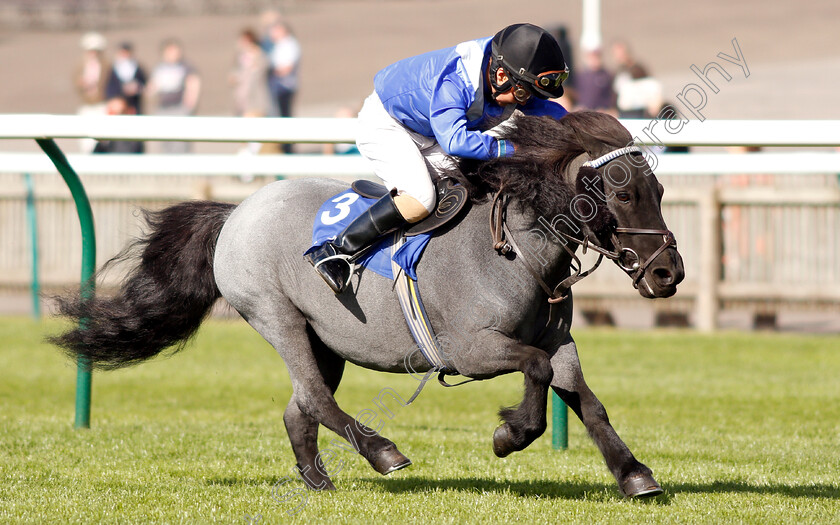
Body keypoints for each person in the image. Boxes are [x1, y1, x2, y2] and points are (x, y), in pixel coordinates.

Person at [309, 23, 570, 293]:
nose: (526, 103)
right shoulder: (457, 77)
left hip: (429, 131)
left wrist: (583, 131)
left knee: (477, 173)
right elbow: (455, 141)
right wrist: (512, 149)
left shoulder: (504, 71)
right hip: (388, 125)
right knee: (421, 199)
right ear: (501, 74)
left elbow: (548, 111)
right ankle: (335, 250)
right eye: (523, 93)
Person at [147, 38, 201, 153]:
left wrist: (189, 107)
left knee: (180, 143)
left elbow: (193, 84)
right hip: (163, 108)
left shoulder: (186, 67)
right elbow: (152, 87)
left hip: (179, 108)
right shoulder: (160, 68)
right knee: (165, 142)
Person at [267, 21, 301, 153]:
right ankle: (282, 147)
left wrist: (272, 71)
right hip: (277, 86)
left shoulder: (290, 44)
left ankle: (288, 148)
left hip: (285, 87)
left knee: (285, 117)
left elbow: (287, 67)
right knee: (279, 116)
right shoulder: (278, 45)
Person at [73, 32, 109, 153]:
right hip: (87, 105)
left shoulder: (107, 66)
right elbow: (75, 81)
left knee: (103, 137)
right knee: (85, 139)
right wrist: (81, 84)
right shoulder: (81, 66)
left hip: (101, 105)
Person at [105, 41, 147, 116]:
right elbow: (109, 87)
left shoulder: (137, 68)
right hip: (119, 106)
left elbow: (144, 83)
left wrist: (136, 88)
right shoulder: (113, 68)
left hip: (134, 104)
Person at [571, 47, 615, 112]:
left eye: (596, 57)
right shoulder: (581, 76)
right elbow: (575, 93)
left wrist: (607, 108)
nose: (594, 60)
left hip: (601, 112)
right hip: (584, 111)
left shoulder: (606, 75)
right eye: (591, 57)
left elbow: (610, 96)